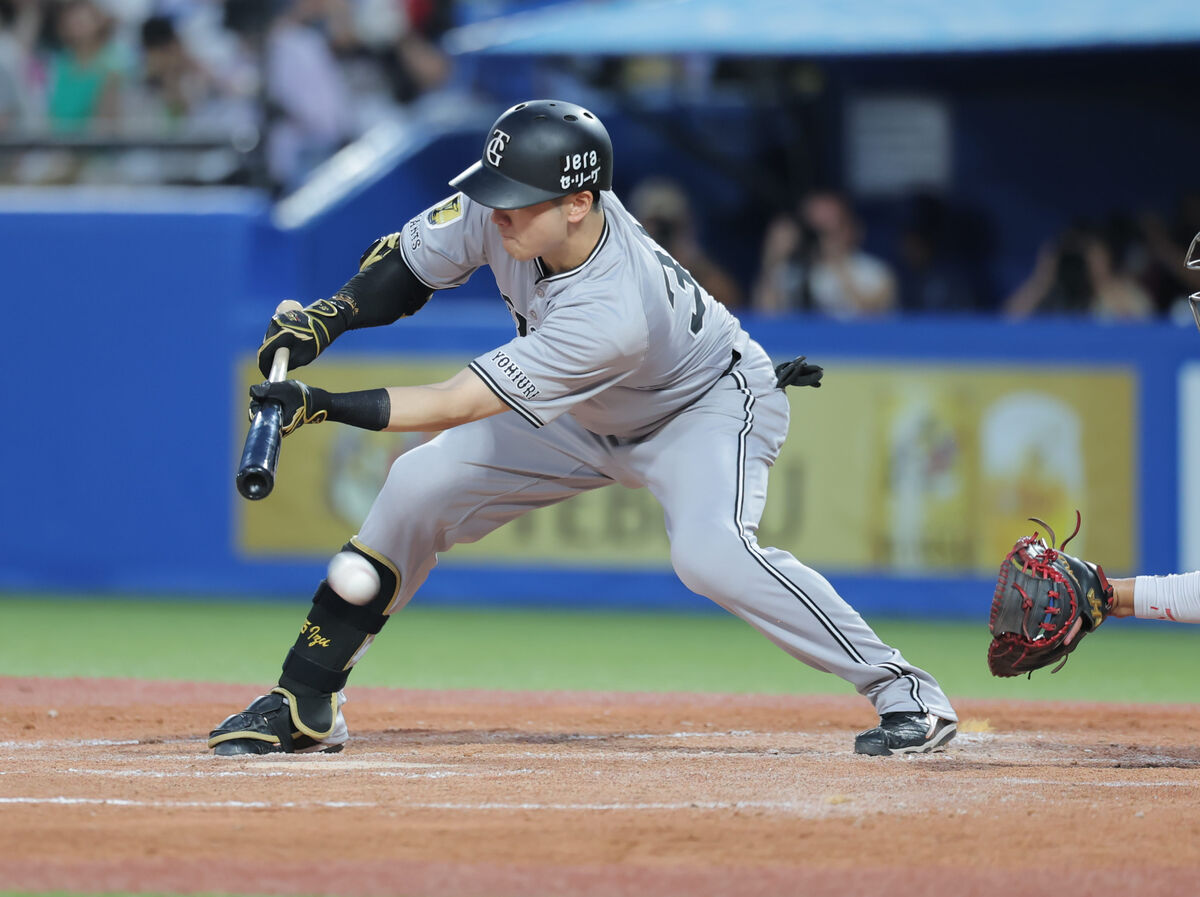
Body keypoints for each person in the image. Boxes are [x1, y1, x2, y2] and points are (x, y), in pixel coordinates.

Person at [207, 99, 958, 759]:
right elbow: (407, 267)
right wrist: (327, 319)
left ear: (578, 203)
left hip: (699, 408)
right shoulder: (504, 210)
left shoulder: (612, 309)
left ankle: (907, 692)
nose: (497, 212)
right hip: (586, 412)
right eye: (493, 191)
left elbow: (457, 401)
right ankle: (305, 698)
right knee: (417, 484)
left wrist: (322, 404)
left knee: (711, 555)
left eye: (517, 199)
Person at [753, 190, 896, 318]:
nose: (821, 237)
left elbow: (874, 322)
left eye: (831, 227)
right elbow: (766, 316)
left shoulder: (875, 272)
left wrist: (838, 266)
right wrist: (774, 257)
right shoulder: (789, 270)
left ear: (851, 228)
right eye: (814, 228)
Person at [628, 175, 744, 308]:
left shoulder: (702, 274)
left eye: (668, 227)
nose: (661, 235)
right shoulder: (621, 269)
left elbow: (731, 305)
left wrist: (694, 268)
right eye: (654, 225)